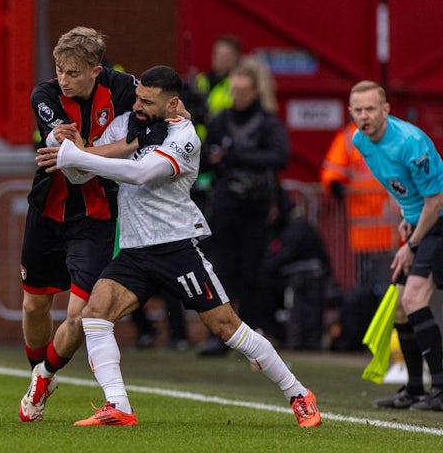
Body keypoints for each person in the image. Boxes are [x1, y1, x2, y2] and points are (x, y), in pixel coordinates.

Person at [39, 65, 321, 428]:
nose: (137, 106)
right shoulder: (128, 124)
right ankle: (118, 406)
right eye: (138, 97)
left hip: (175, 249)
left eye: (147, 102)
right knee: (95, 316)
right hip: (135, 249)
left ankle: (298, 393)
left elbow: (139, 173)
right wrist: (61, 145)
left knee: (227, 327)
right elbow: (85, 167)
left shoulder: (185, 136)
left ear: (173, 104)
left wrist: (75, 158)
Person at [17, 26, 139, 423]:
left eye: (72, 72)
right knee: (35, 304)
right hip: (48, 213)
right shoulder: (45, 95)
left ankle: (43, 378)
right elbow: (65, 152)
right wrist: (73, 146)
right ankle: (38, 373)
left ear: (96, 70)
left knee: (81, 315)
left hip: (96, 217)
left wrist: (176, 110)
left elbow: (155, 103)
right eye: (59, 70)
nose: (63, 79)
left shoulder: (122, 87)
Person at [349, 80, 443, 411]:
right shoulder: (360, 141)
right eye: (358, 110)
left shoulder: (410, 143)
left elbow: (436, 201)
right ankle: (416, 389)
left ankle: (441, 390)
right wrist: (407, 216)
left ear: (386, 110)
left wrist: (411, 244)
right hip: (421, 224)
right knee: (403, 307)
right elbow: (400, 187)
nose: (364, 116)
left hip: (439, 221)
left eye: (371, 109)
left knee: (414, 297)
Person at [198, 62, 290, 356]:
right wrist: (213, 159)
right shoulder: (221, 120)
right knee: (221, 270)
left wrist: (235, 155)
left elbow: (279, 155)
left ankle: (251, 335)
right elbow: (203, 157)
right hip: (225, 204)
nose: (237, 96)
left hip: (256, 206)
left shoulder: (267, 122)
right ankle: (219, 334)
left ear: (254, 91)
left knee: (253, 272)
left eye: (243, 91)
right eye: (234, 90)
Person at [320, 121, 398, 293]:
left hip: (395, 236)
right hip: (364, 236)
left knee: (393, 289)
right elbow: (331, 173)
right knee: (368, 289)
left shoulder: (396, 133)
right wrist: (335, 185)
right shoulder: (349, 138)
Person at [262, 186, 331, 349]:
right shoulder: (281, 228)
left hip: (307, 276)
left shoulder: (297, 226)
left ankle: (301, 342)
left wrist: (266, 267)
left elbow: (285, 254)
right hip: (295, 275)